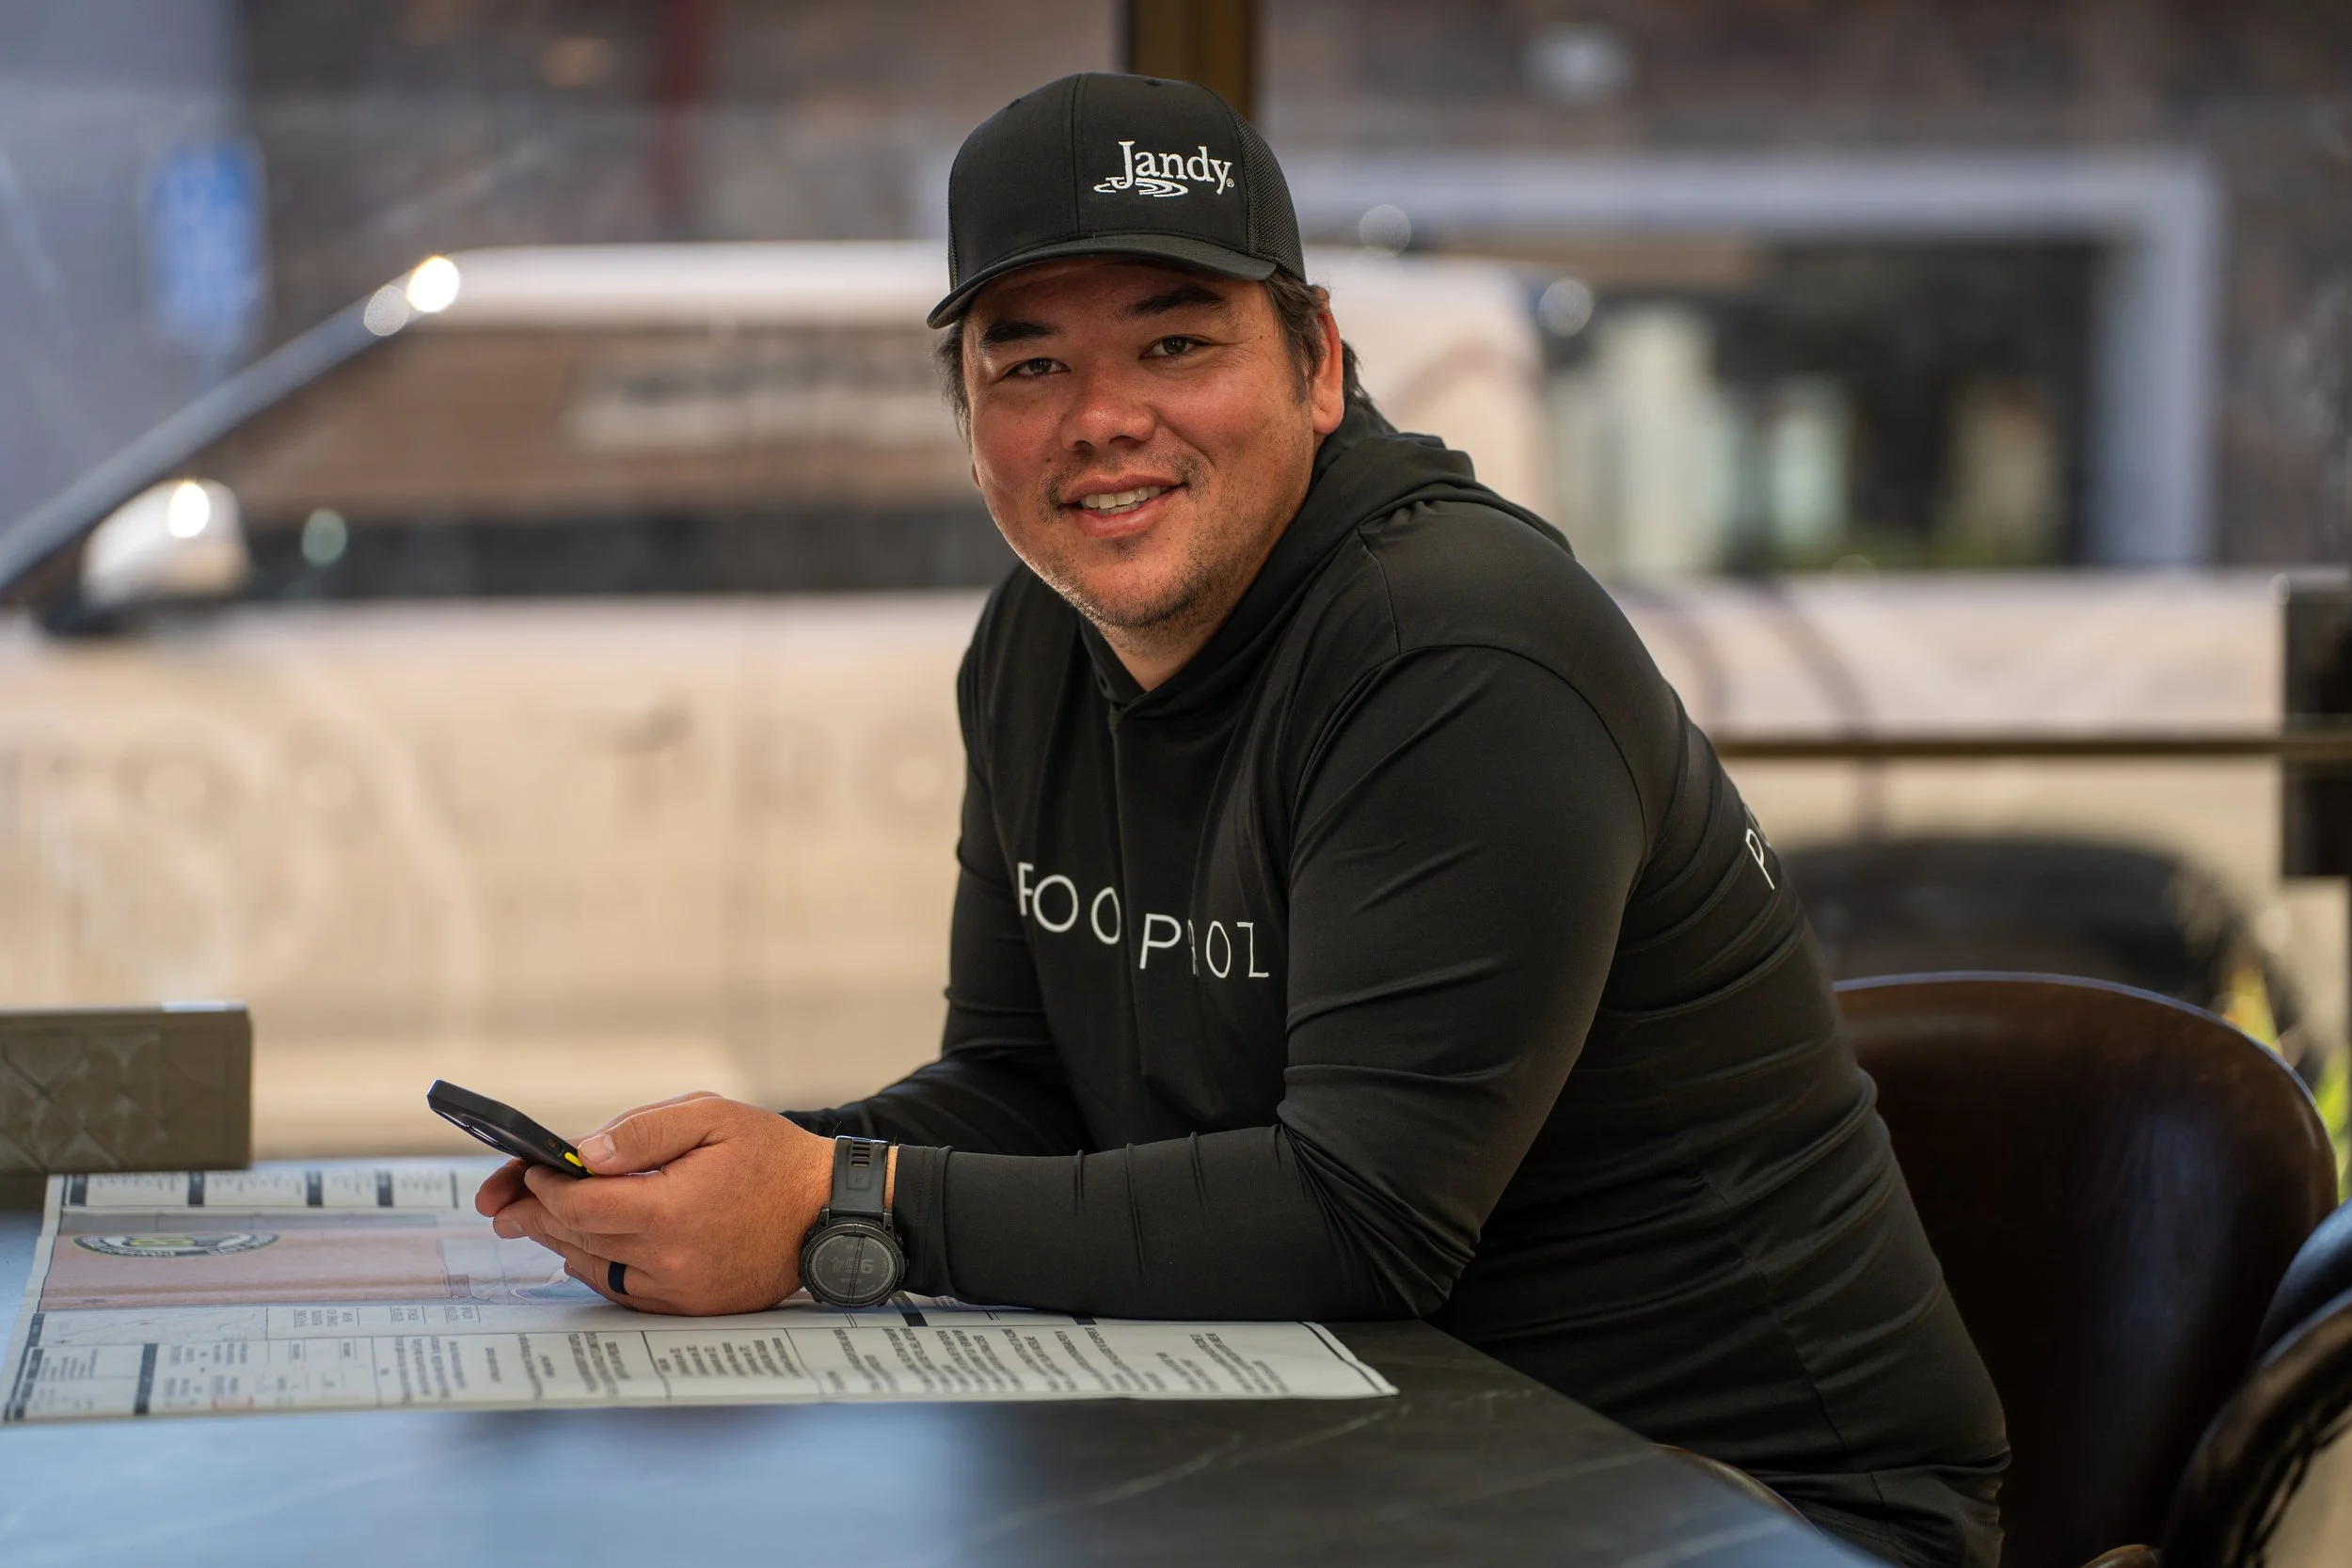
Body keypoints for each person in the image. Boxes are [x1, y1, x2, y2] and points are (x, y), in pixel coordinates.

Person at [477, 71, 2008, 1568]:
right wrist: (739, 1175)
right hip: (1381, 1450)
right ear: (970, 414)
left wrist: (834, 1205)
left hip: (1747, 1505)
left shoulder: (1458, 648)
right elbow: (1025, 1091)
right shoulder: (1035, 645)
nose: (1102, 419)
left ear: (1318, 363)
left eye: (1176, 341)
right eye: (1029, 366)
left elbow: (1362, 1217)